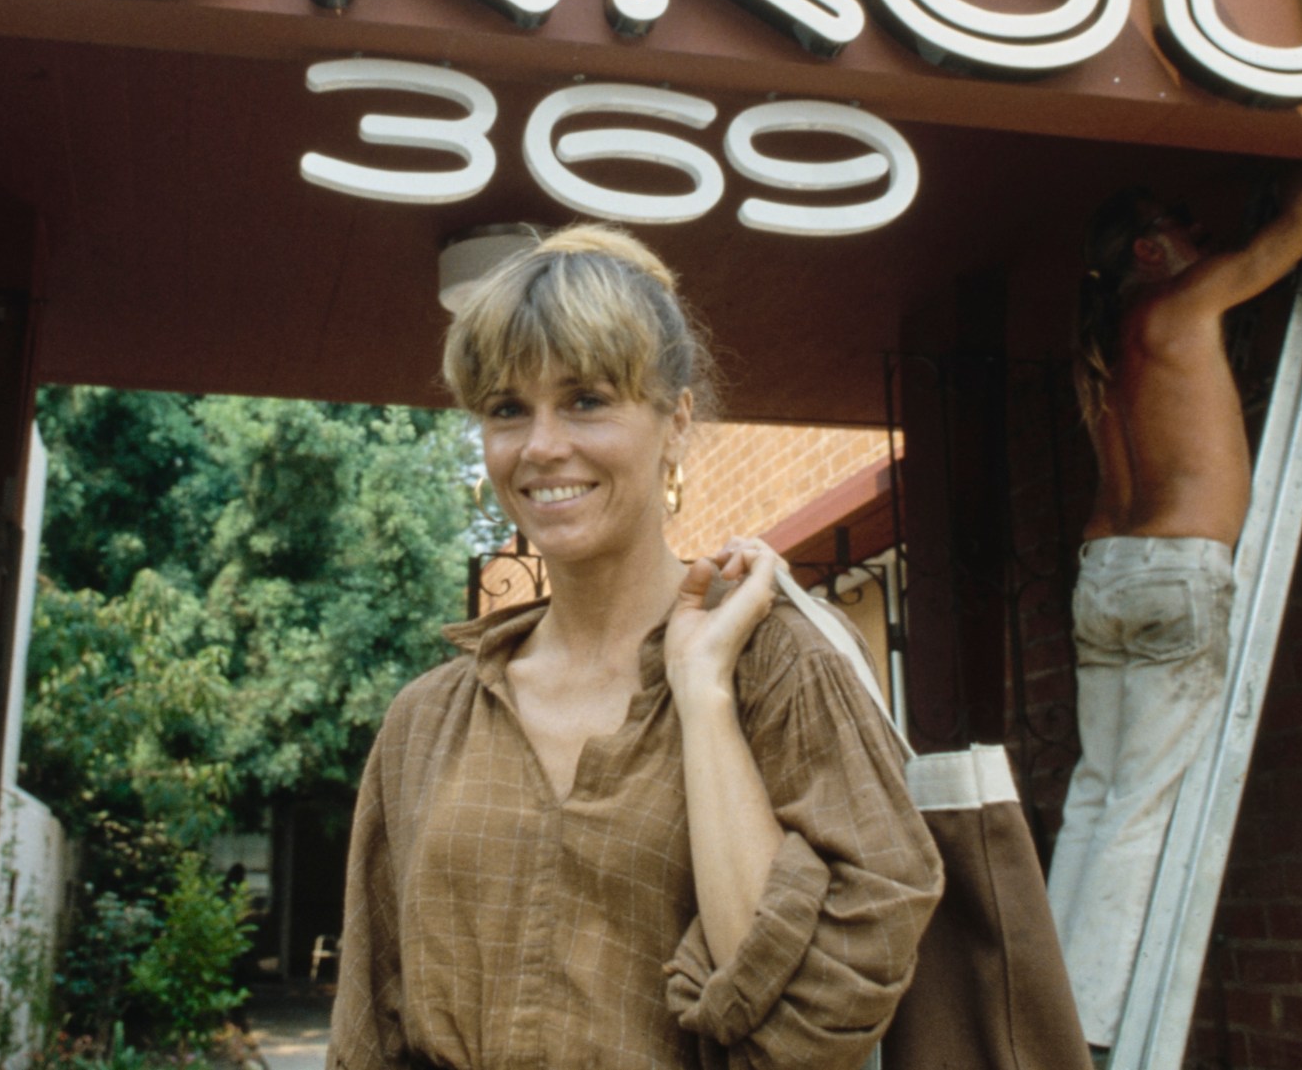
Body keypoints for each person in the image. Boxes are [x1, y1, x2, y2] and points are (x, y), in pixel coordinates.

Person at [330, 224, 941, 1070]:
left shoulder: (782, 670)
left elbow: (810, 1019)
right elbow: (370, 1025)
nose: (542, 446)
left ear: (676, 420)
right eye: (509, 408)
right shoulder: (427, 721)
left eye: (585, 399)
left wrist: (702, 694)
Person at [1044, 165, 1302, 1059]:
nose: (1200, 236)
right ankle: (1089, 1028)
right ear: (1149, 248)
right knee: (1142, 804)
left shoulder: (1098, 346)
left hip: (1107, 574)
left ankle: (1045, 996)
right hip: (1177, 570)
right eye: (1183, 223)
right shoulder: (1180, 302)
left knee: (1096, 797)